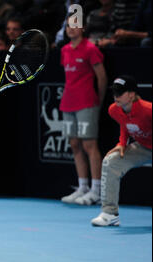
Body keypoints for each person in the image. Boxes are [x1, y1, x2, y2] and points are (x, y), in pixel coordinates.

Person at [91, 75, 151, 226]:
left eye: (120, 93)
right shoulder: (114, 110)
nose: (115, 96)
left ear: (131, 95)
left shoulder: (148, 110)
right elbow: (124, 123)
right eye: (114, 92)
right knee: (111, 162)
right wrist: (122, 143)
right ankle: (109, 214)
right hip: (143, 148)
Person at [59, 20, 108, 206]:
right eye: (67, 26)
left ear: (83, 28)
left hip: (87, 102)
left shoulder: (90, 49)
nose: (70, 29)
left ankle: (97, 190)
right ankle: (83, 187)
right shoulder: (64, 50)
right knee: (74, 144)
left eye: (75, 25)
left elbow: (102, 78)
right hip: (68, 103)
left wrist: (98, 101)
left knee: (90, 146)